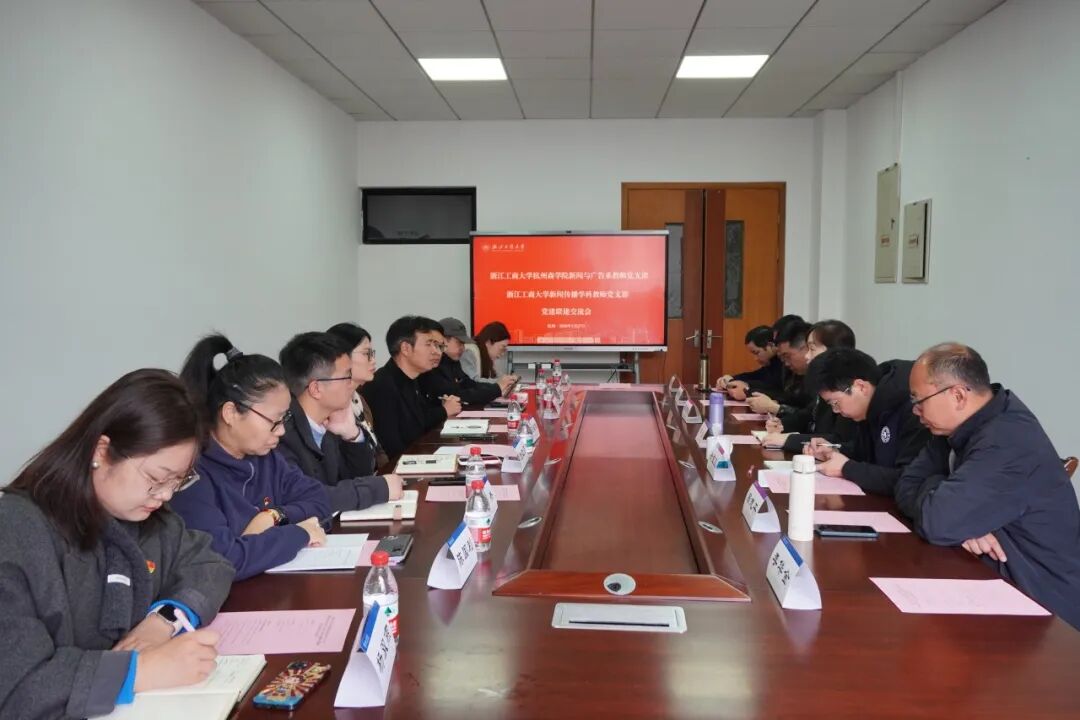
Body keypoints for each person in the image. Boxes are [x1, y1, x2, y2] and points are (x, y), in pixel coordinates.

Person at [0, 369, 235, 718]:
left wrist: (164, 620)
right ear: (101, 451)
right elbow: (18, 687)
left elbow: (210, 565)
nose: (166, 495)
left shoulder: (150, 520)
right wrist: (139, 671)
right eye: (156, 478)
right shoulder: (17, 530)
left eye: (178, 481)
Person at [894, 343, 1080, 629]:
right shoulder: (955, 427)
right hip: (990, 579)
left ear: (958, 395)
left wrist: (949, 507)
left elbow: (938, 521)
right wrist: (957, 511)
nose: (916, 411)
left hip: (1042, 611)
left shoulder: (1008, 440)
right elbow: (906, 484)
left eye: (920, 401)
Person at [169, 334, 330, 581]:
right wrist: (300, 533)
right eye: (274, 420)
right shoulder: (192, 474)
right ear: (231, 413)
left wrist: (272, 516)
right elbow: (224, 560)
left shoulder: (265, 458)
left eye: (284, 419)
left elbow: (319, 499)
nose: (281, 431)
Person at [277, 332, 404, 514]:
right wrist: (378, 489)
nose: (352, 383)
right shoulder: (281, 435)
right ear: (316, 388)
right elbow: (307, 498)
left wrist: (352, 436)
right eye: (346, 376)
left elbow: (356, 479)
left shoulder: (328, 422)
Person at [808, 348, 930, 495]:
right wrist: (833, 451)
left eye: (835, 403)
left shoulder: (914, 409)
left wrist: (847, 468)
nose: (835, 410)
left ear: (861, 387)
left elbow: (907, 480)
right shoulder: (869, 407)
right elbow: (866, 455)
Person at [362, 316, 462, 456]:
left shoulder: (414, 379)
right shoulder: (382, 385)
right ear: (406, 348)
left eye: (439, 346)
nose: (437, 352)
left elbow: (420, 423)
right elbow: (392, 448)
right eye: (429, 344)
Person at [762, 319, 858, 453]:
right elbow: (809, 414)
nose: (807, 356)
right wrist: (783, 424)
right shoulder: (825, 381)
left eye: (812, 349)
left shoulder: (848, 387)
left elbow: (840, 440)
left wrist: (789, 440)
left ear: (835, 350)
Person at [326, 322, 388, 469]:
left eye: (372, 354)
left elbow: (377, 450)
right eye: (366, 354)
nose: (373, 360)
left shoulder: (359, 400)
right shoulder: (330, 407)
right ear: (340, 357)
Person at [421, 317, 516, 406]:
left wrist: (496, 388)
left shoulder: (453, 362)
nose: (463, 348)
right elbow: (458, 394)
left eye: (463, 343)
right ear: (443, 340)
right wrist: (496, 389)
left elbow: (469, 384)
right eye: (459, 343)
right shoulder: (433, 365)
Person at [743, 319, 812, 414]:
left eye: (787, 356)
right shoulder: (796, 370)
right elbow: (792, 400)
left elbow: (811, 417)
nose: (786, 363)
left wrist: (776, 408)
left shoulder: (821, 375)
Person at [714, 325, 784, 397]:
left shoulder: (784, 363)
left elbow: (773, 387)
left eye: (756, 353)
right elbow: (756, 375)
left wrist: (746, 387)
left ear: (770, 345)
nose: (755, 358)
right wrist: (732, 379)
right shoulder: (771, 362)